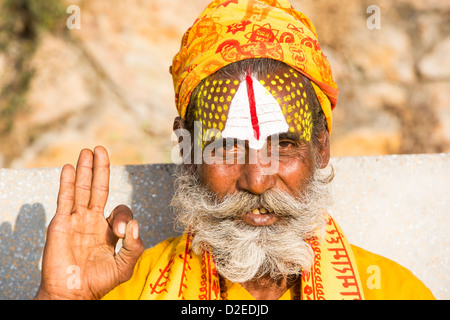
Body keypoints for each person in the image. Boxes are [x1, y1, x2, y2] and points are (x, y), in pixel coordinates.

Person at [34, 0, 435, 300]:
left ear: (322, 148)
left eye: (283, 146)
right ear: (186, 150)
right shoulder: (130, 287)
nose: (257, 180)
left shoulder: (392, 291)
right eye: (226, 149)